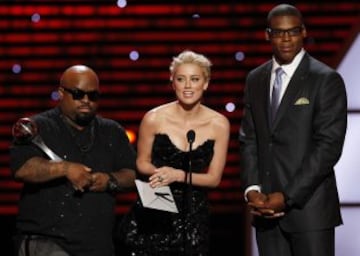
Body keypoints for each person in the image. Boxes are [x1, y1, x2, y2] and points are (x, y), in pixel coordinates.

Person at [239, 3, 347, 256]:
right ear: (268, 35)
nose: (286, 39)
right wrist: (252, 188)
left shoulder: (325, 79)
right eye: (278, 32)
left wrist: (287, 196)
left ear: (304, 32)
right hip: (265, 212)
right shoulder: (255, 79)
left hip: (310, 212)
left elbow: (328, 147)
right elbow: (249, 139)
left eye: (293, 31)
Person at [10, 64, 137, 256]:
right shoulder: (39, 127)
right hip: (45, 240)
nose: (86, 101)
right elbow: (23, 169)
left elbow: (133, 175)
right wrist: (66, 169)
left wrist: (109, 181)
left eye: (93, 96)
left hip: (97, 244)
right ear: (61, 93)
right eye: (78, 94)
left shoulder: (112, 131)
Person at [119, 50, 230, 255]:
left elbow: (214, 179)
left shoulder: (219, 124)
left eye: (194, 79)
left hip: (194, 211)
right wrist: (162, 173)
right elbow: (142, 162)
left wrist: (178, 175)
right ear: (173, 82)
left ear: (205, 83)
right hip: (156, 200)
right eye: (181, 79)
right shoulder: (153, 118)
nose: (188, 86)